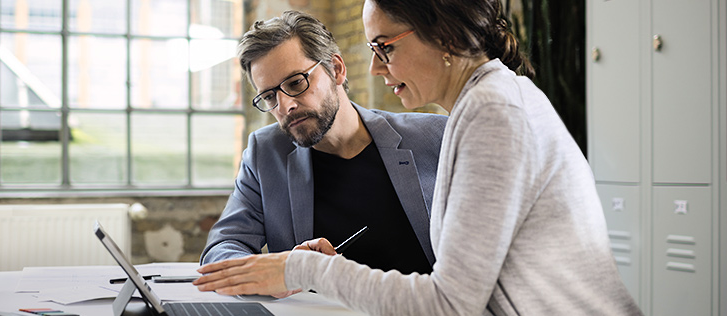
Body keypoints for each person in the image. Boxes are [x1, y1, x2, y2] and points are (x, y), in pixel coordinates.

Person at [193, 1, 643, 315]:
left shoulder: (490, 113)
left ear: (442, 34)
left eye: (384, 46)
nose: (376, 67)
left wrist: (306, 267)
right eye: (269, 96)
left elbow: (449, 304)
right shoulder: (487, 103)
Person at [199, 9, 448, 291]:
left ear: (337, 69)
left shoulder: (436, 137)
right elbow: (222, 249)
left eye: (295, 83)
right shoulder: (265, 153)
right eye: (269, 96)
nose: (284, 106)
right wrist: (286, 269)